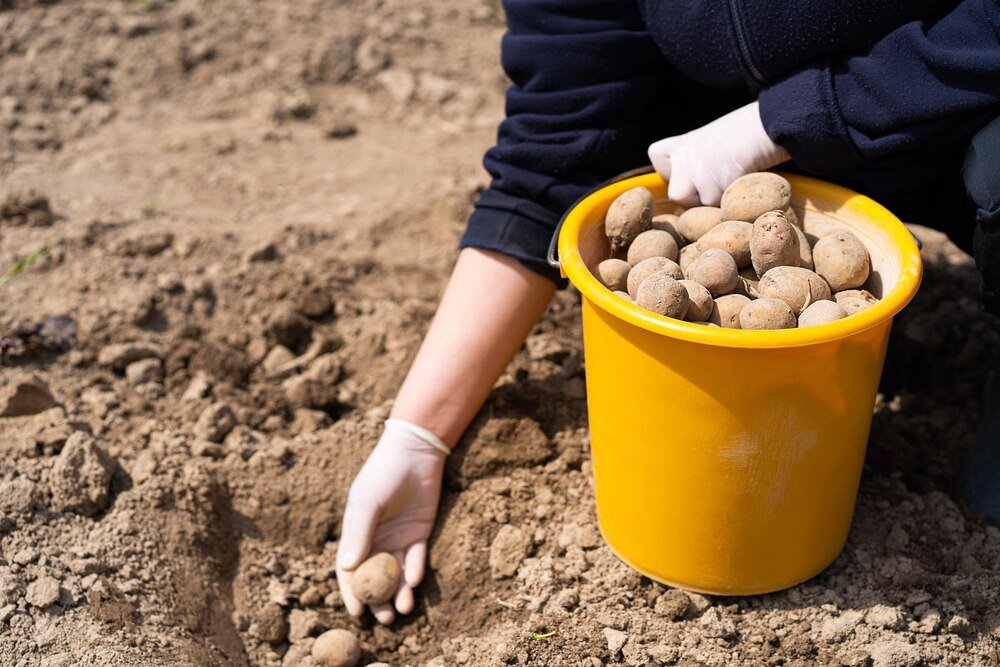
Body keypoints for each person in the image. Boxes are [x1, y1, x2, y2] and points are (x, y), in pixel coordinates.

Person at [336, 0, 1000, 623]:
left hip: (956, 105)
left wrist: (792, 117)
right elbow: (555, 149)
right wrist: (418, 435)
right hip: (719, 151)